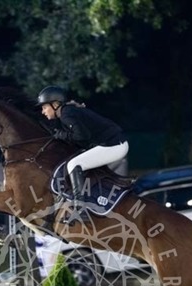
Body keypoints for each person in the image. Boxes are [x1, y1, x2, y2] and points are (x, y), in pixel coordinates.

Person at [36, 85, 129, 222]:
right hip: (111, 143)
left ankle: (80, 209)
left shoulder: (66, 113)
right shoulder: (67, 112)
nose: (43, 111)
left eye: (44, 107)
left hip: (114, 145)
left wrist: (60, 135)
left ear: (55, 105)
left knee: (74, 164)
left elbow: (82, 136)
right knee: (74, 161)